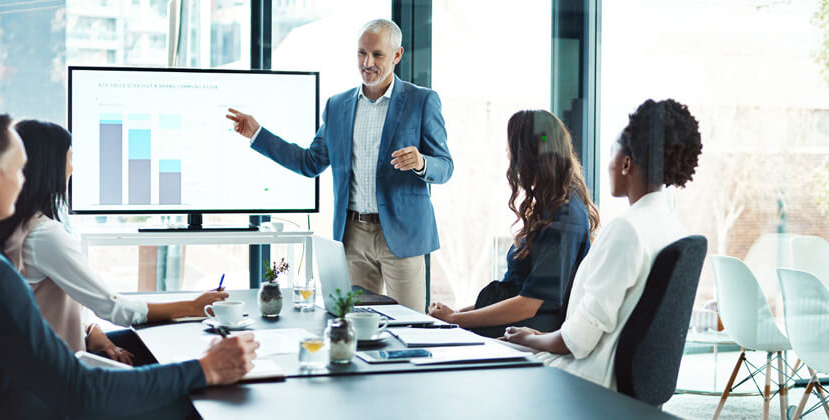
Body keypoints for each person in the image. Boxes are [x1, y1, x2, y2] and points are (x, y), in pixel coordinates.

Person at [0, 113, 259, 419]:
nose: (23, 180)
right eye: (18, 170)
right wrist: (204, 368)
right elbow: (79, 392)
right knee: (196, 406)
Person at [225, 19, 452, 312]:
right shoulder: (337, 106)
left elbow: (445, 166)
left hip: (402, 235)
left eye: (378, 55)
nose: (367, 63)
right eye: (361, 53)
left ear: (397, 55)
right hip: (352, 236)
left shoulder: (422, 101)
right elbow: (310, 163)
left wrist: (421, 162)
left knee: (409, 326)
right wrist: (258, 133)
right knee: (354, 324)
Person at [0, 120, 228, 365]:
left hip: (42, 360)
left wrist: (91, 330)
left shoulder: (12, 227)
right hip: (61, 373)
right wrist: (193, 307)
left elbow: (42, 307)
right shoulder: (44, 236)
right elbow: (115, 309)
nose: (72, 169)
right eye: (70, 159)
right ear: (51, 167)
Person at [503, 99, 703, 389]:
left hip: (586, 379)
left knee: (484, 359)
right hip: (615, 379)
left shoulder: (627, 230)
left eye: (612, 152)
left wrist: (530, 339)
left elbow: (578, 342)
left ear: (625, 163)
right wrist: (535, 338)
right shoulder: (672, 227)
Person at [427, 110, 598, 337]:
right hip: (514, 326)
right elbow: (516, 293)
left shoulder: (565, 216)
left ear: (528, 157)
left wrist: (456, 319)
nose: (508, 156)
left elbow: (528, 304)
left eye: (512, 151)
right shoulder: (551, 207)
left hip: (524, 333)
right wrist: (454, 314)